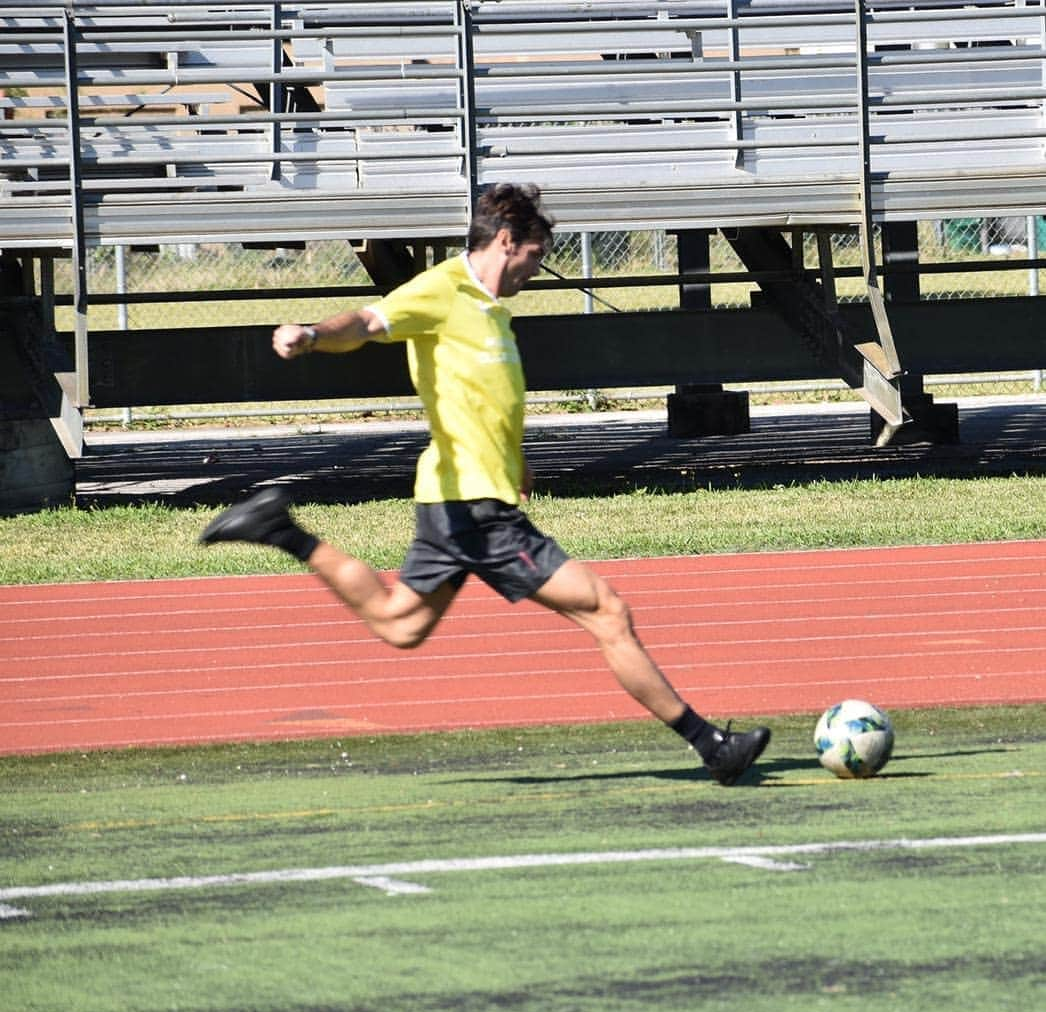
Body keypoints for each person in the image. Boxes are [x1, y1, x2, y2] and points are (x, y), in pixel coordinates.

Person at [199, 183, 770, 785]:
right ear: (506, 242)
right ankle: (712, 746)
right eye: (534, 256)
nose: (535, 270)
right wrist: (313, 334)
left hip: (455, 500)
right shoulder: (443, 291)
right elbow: (365, 322)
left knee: (401, 623)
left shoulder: (492, 311)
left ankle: (278, 529)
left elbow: (489, 399)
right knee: (607, 611)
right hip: (473, 507)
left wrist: (514, 460)